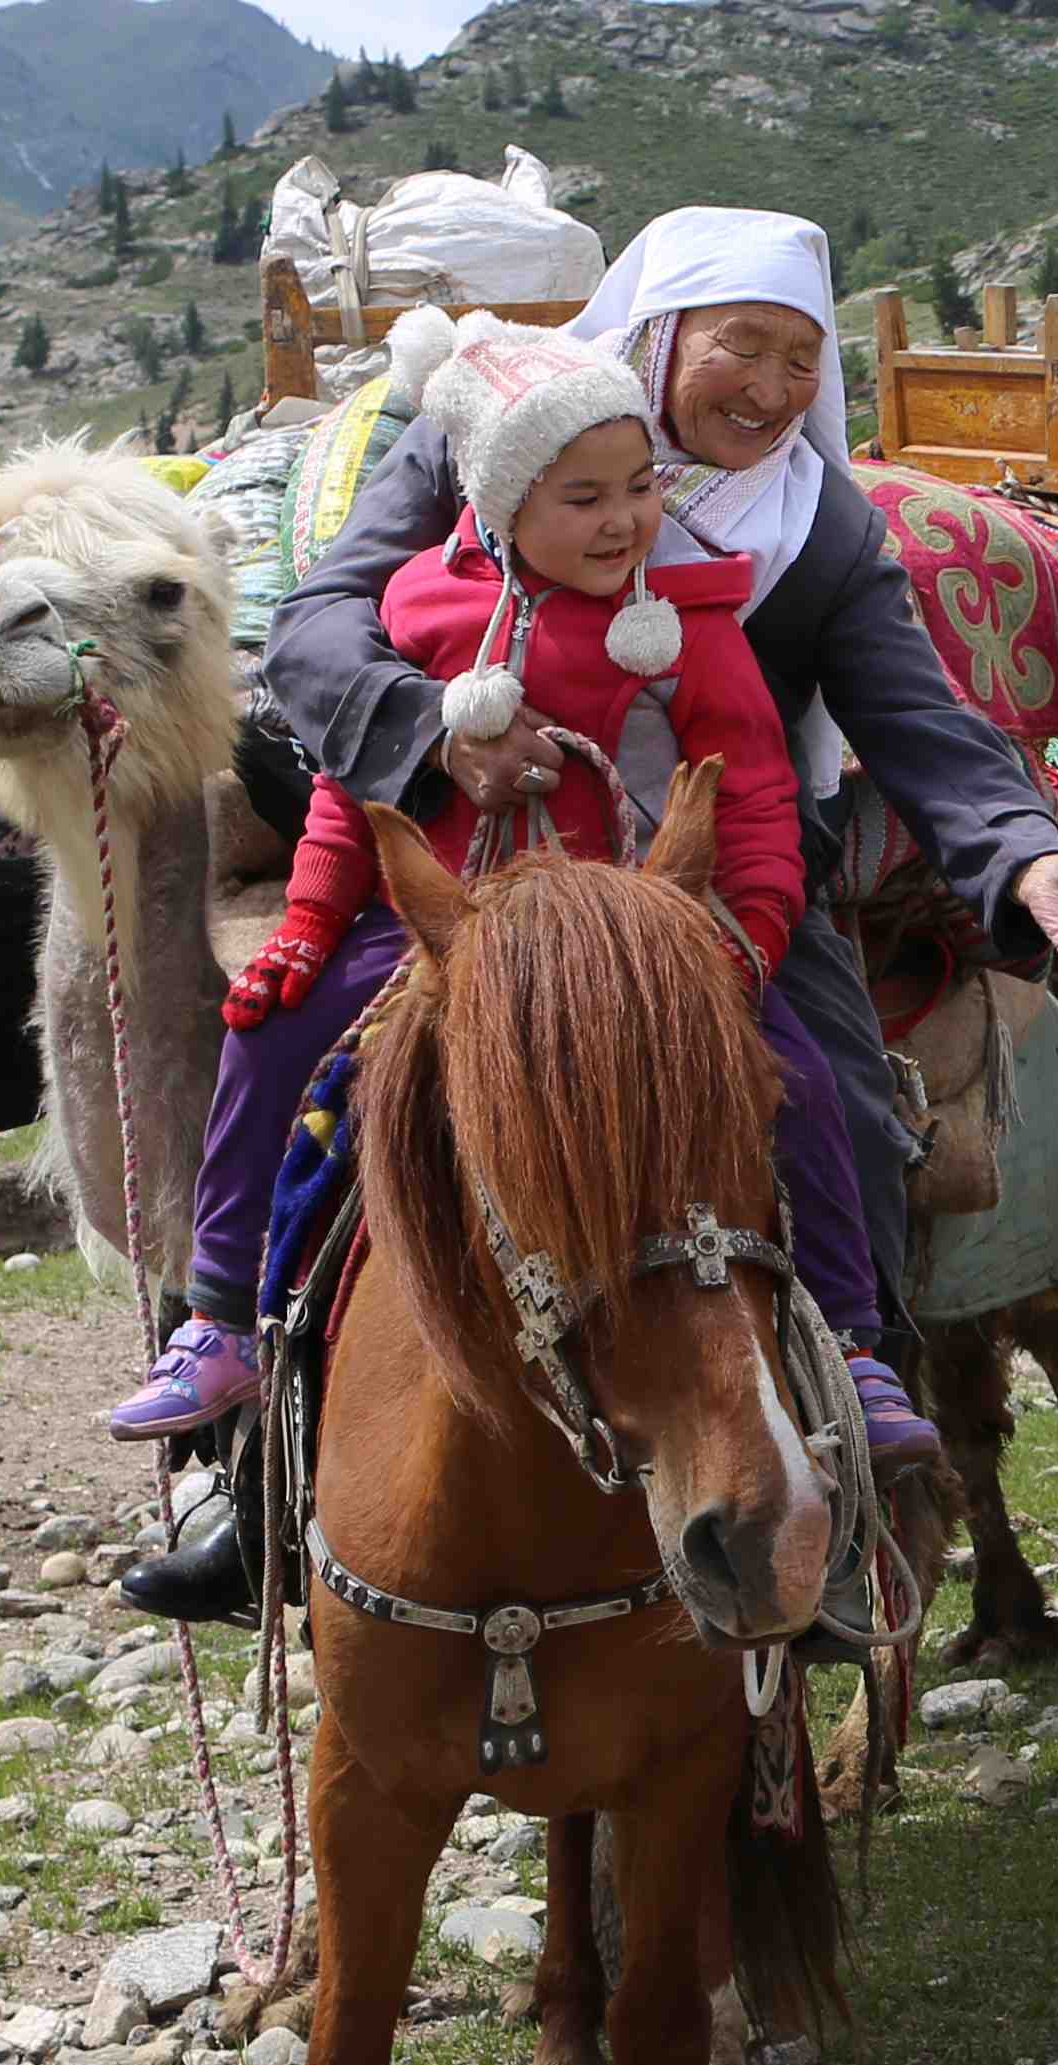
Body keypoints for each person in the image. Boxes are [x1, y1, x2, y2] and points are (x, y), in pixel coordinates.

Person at [170, 205, 1058, 1604]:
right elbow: (327, 618)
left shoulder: (816, 530)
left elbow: (915, 715)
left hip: (720, 884)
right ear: (661, 331)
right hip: (476, 849)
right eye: (741, 346)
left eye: (802, 360)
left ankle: (837, 1434)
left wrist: (1021, 856)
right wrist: (434, 729)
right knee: (288, 1060)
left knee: (840, 1103)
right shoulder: (484, 431)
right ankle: (254, 1464)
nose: (770, 390)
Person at [118, 312, 928, 1459]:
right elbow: (362, 789)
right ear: (501, 507)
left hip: (637, 936)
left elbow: (744, 791)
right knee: (269, 1028)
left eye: (639, 488)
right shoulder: (420, 612)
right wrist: (306, 922)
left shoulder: (690, 625)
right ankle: (222, 1318)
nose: (623, 521)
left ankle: (849, 1342)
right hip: (454, 928)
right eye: (583, 498)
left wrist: (743, 936)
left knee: (799, 1077)